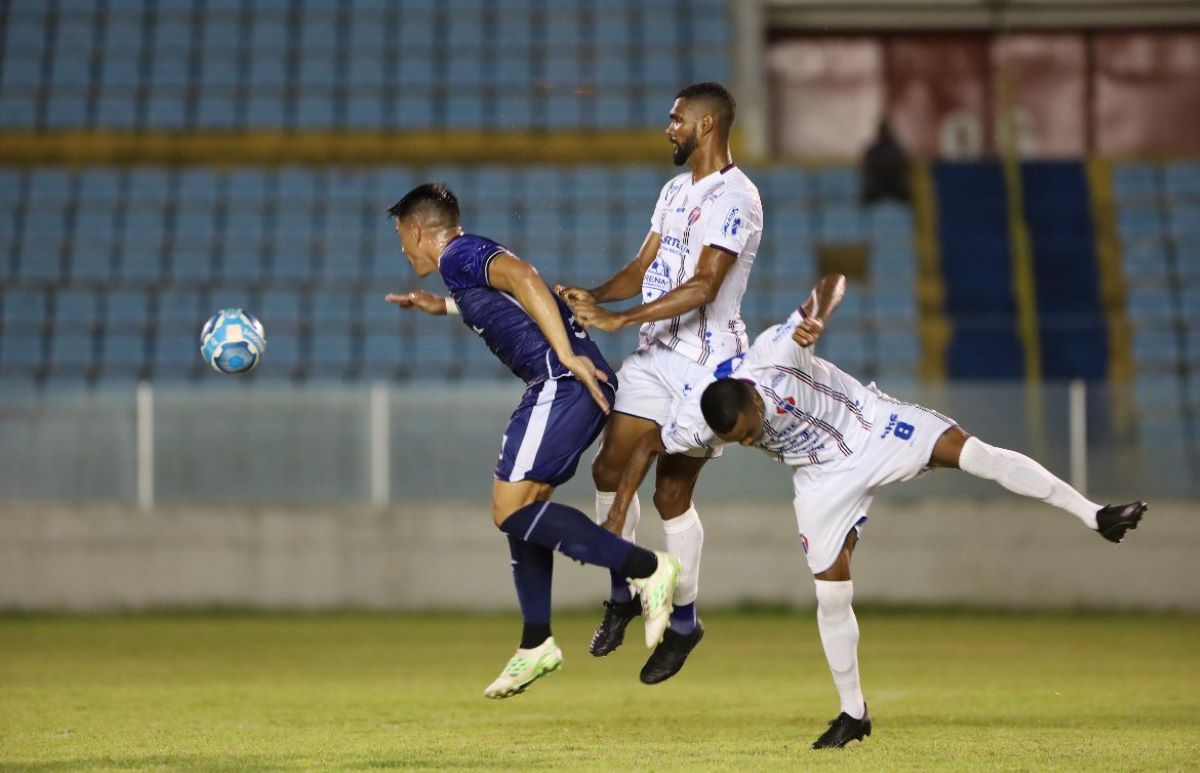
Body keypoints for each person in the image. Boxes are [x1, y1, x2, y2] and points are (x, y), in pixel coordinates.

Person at [604, 272, 1148, 748]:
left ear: (751, 399)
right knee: (831, 592)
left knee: (977, 455)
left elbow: (830, 281)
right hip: (820, 478)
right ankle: (853, 713)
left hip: (873, 426)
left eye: (748, 432)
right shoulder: (705, 414)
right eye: (738, 440)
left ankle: (1094, 515)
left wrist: (820, 314)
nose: (747, 442)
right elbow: (649, 444)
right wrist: (621, 506)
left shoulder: (775, 353)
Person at [385, 183, 682, 699]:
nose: (402, 249)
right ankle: (535, 643)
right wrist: (446, 307)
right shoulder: (463, 264)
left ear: (415, 230)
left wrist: (565, 355)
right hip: (573, 386)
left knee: (509, 509)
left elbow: (524, 278)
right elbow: (512, 295)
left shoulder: (458, 253)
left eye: (400, 237)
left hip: (562, 383)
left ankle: (648, 568)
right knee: (525, 512)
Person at [557, 82, 763, 684]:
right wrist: (590, 297)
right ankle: (622, 595)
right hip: (655, 355)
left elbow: (703, 287)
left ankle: (683, 624)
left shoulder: (737, 197)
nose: (667, 127)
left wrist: (618, 319)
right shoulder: (673, 191)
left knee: (669, 495)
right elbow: (641, 268)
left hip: (707, 367)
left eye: (675, 119)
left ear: (704, 125)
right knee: (606, 470)